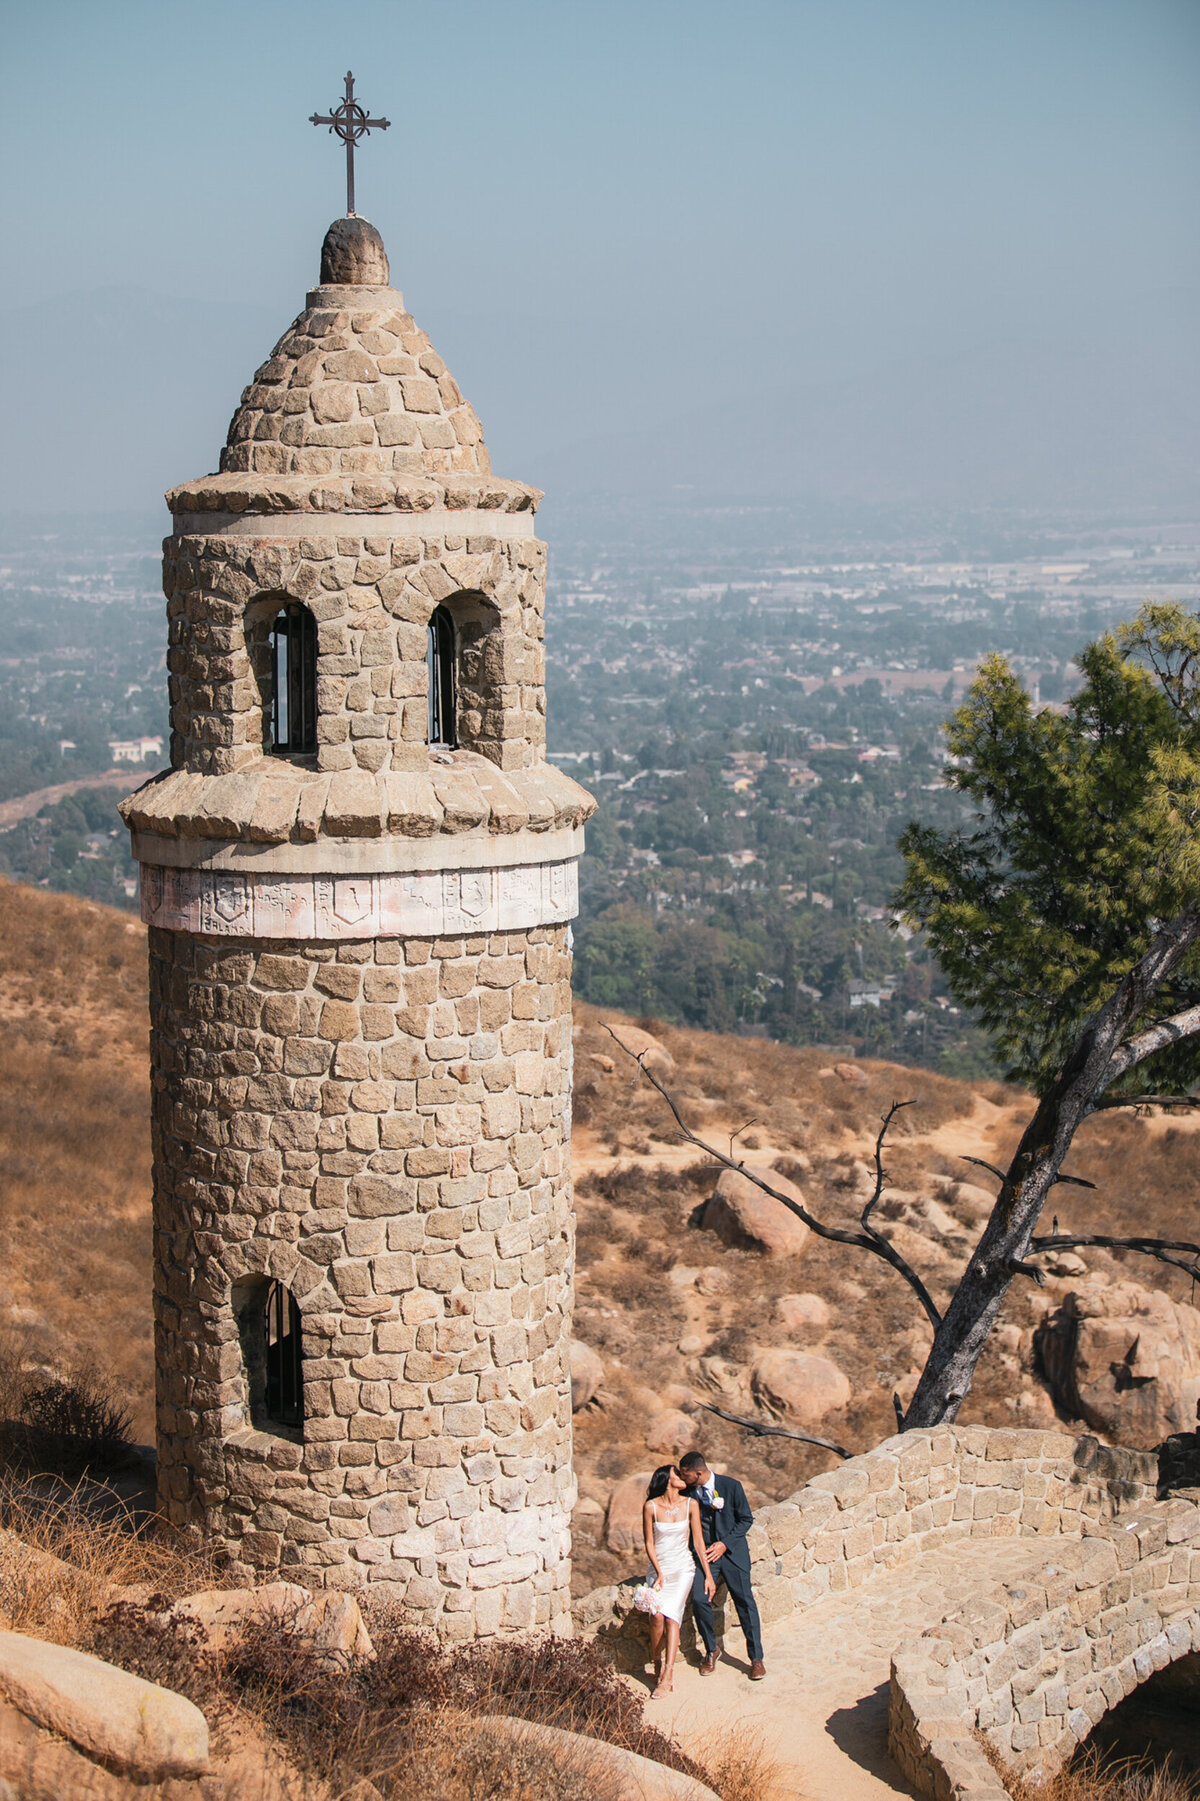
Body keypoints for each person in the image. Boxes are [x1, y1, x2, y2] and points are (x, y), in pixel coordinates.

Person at [678, 1448, 765, 1680]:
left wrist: (724, 1544)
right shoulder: (687, 1492)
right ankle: (711, 1649)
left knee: (745, 1602)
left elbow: (746, 1519)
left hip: (732, 1554)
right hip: (705, 1557)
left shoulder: (731, 1486)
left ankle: (756, 1658)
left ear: (698, 1473)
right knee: (699, 1599)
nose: (681, 1478)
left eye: (685, 1475)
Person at [641, 1463, 714, 1697]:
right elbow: (649, 1543)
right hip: (659, 1569)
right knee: (656, 1617)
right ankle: (657, 1662)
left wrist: (709, 1575)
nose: (682, 1477)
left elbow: (699, 1543)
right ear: (667, 1478)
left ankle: (668, 1674)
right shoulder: (650, 1507)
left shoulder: (690, 1504)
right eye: (676, 1473)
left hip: (683, 1568)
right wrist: (658, 1572)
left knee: (672, 1618)